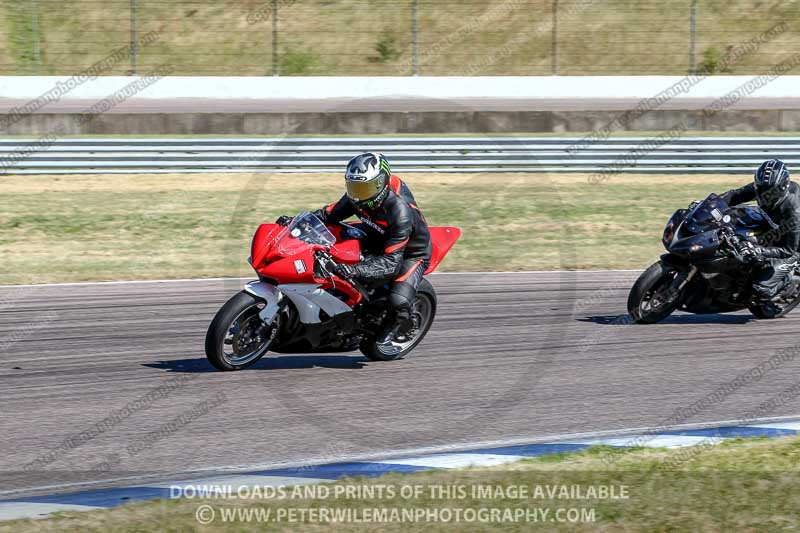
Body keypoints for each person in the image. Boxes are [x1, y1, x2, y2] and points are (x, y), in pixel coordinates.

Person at [276, 153, 432, 352]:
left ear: (381, 183)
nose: (358, 195)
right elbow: (328, 215)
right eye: (354, 187)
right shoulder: (357, 197)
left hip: (410, 252)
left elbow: (391, 263)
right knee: (330, 247)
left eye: (365, 188)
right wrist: (295, 222)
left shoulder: (399, 212)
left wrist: (355, 270)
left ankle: (402, 323)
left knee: (398, 300)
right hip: (375, 233)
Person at [719, 159, 800, 305]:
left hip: (793, 248)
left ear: (782, 187)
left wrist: (759, 250)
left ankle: (791, 282)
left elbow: (788, 250)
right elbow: (734, 196)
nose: (763, 194)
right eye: (760, 189)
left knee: (761, 288)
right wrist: (710, 204)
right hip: (774, 228)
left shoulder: (794, 212)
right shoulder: (764, 186)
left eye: (768, 191)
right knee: (736, 220)